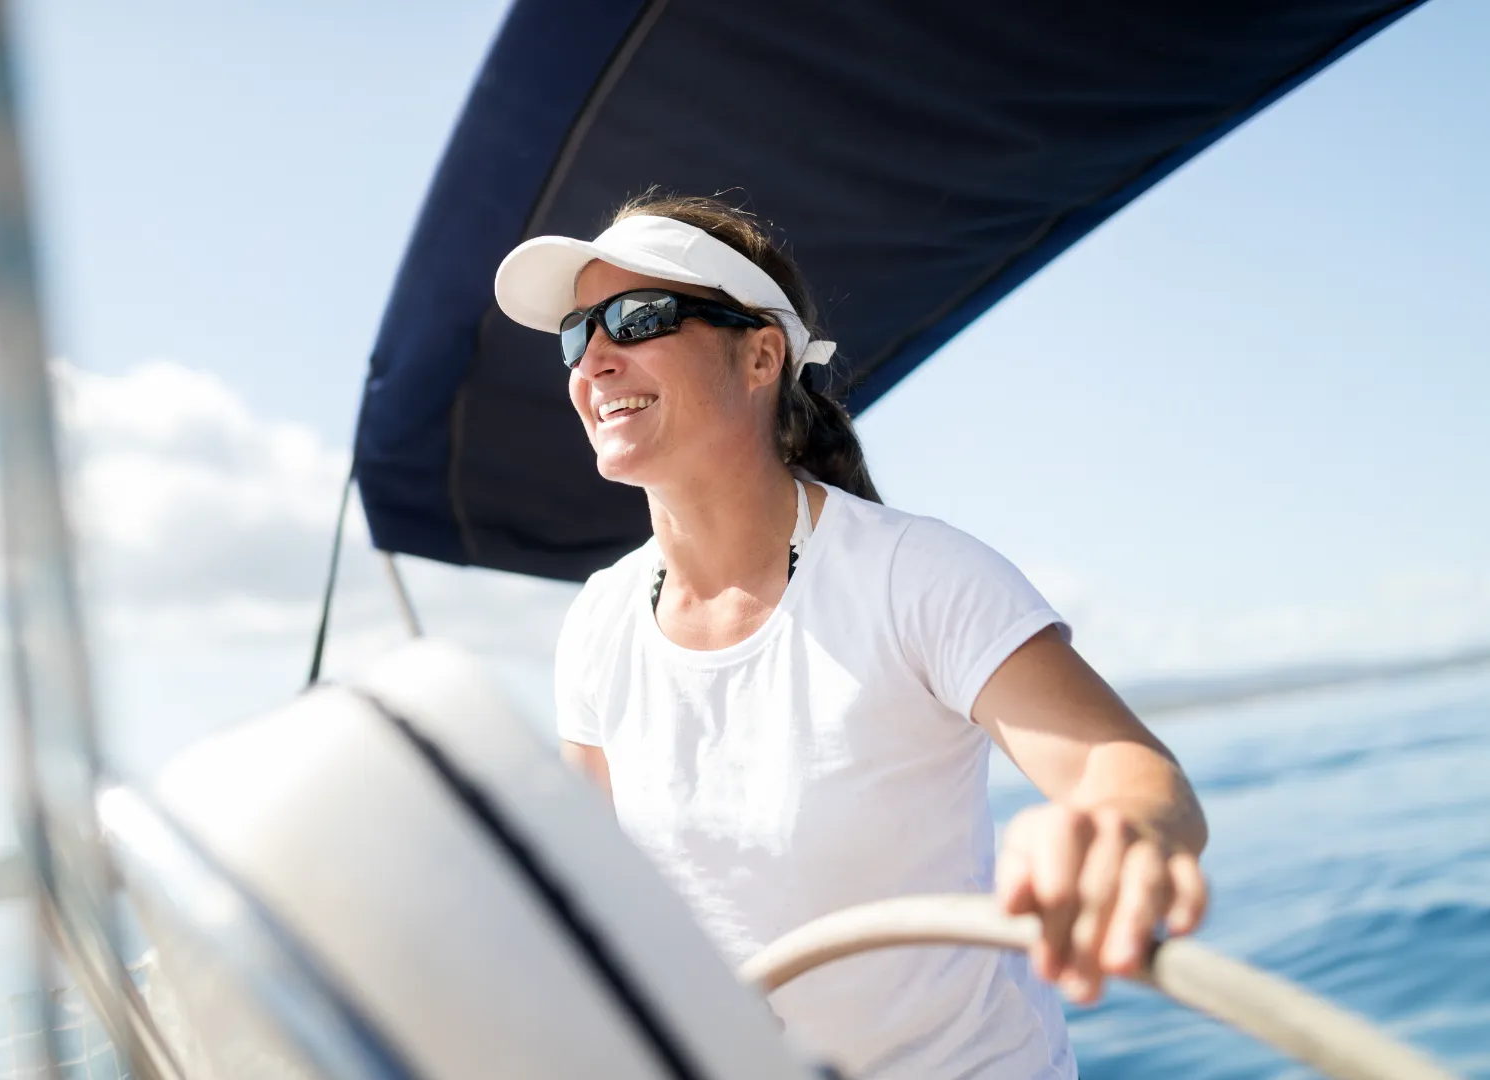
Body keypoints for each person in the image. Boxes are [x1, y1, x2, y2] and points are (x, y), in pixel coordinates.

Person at [493, 193, 1208, 1079]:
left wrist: (1112, 830)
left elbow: (1129, 773)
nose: (594, 358)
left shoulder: (917, 576)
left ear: (759, 355)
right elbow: (591, 893)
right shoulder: (600, 623)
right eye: (575, 334)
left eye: (638, 318)